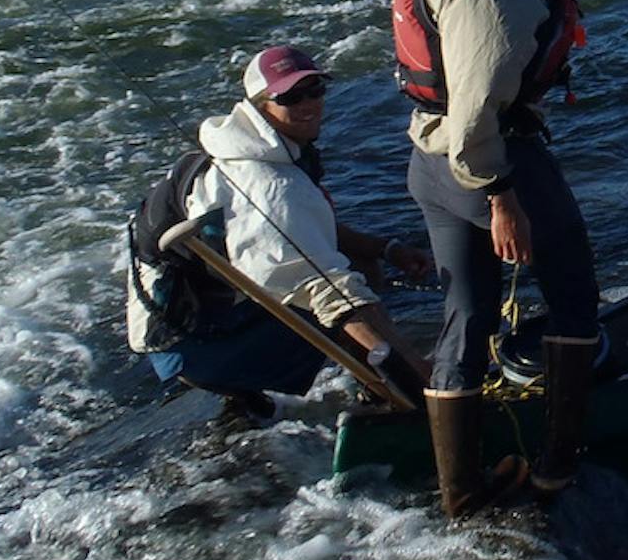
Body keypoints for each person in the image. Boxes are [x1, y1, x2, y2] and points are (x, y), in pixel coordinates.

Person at [395, 0, 598, 516]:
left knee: (469, 314)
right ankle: (556, 468)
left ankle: (461, 493)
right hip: (491, 161)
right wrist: (502, 196)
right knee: (574, 297)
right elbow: (478, 103)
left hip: (429, 158)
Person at [139, 46, 432, 417]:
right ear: (262, 106)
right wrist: (418, 373)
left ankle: (246, 400)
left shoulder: (254, 146)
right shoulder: (266, 183)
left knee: (361, 264)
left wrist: (386, 248)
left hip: (191, 320)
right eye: (291, 96)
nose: (309, 103)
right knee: (347, 296)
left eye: (315, 90)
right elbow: (328, 290)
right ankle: (391, 396)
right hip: (188, 348)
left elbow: (302, 230)